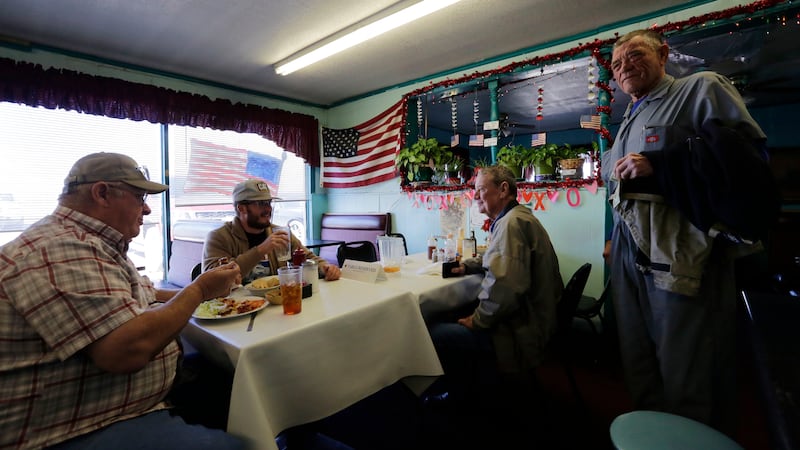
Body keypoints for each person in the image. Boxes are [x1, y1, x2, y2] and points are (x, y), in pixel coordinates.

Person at [0, 152, 246, 449]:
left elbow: (144, 293)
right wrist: (200, 291)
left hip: (123, 399)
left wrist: (211, 290)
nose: (146, 209)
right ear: (102, 193)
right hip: (73, 428)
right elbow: (124, 352)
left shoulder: (92, 242)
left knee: (228, 381)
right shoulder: (60, 248)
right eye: (139, 196)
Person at [602, 29, 773, 434]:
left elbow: (747, 160)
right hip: (629, 253)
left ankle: (694, 439)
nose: (624, 66)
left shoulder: (700, 89)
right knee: (637, 357)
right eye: (616, 62)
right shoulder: (627, 117)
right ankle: (651, 438)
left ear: (663, 54)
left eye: (635, 54)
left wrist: (663, 162)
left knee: (688, 370)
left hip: (681, 253)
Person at [426, 165, 563, 411]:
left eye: (480, 190)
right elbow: (500, 257)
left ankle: (460, 398)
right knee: (456, 314)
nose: (475, 196)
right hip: (535, 319)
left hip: (521, 331)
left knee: (435, 332)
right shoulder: (517, 217)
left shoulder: (510, 224)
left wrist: (478, 321)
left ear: (502, 190)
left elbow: (505, 287)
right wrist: (468, 266)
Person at [202, 178, 341, 283]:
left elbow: (308, 258)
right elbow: (211, 280)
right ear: (241, 208)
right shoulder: (219, 237)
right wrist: (260, 250)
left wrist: (326, 267)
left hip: (275, 304)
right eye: (261, 204)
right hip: (235, 310)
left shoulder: (279, 232)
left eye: (269, 203)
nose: (268, 209)